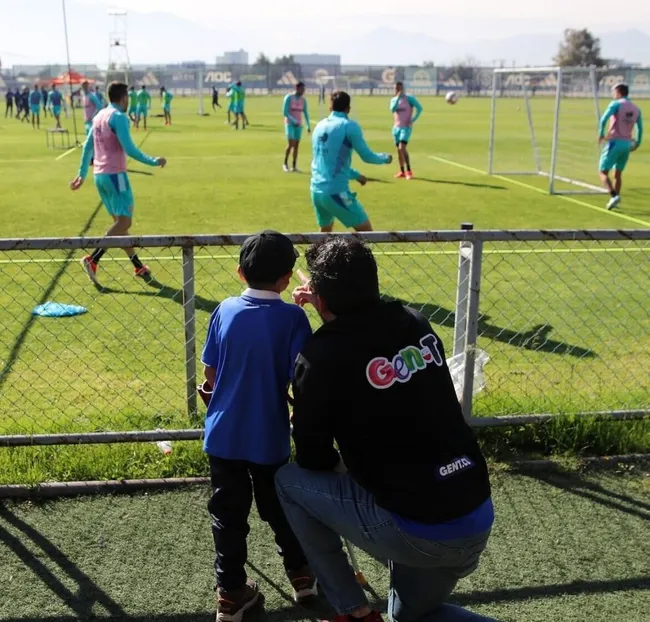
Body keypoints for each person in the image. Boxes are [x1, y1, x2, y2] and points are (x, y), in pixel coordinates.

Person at [276, 236, 497, 622]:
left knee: (288, 482)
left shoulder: (319, 356)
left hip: (420, 529)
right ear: (374, 282)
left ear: (322, 299)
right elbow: (372, 345)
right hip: (475, 512)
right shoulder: (415, 321)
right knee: (406, 617)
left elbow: (312, 457)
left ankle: (352, 610)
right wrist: (329, 311)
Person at [200, 230, 318, 622]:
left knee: (227, 514)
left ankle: (231, 592)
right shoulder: (292, 317)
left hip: (223, 434)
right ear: (287, 278)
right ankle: (301, 574)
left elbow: (210, 378)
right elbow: (301, 379)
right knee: (280, 507)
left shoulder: (224, 309)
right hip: (268, 435)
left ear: (239, 272)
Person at [70, 81, 167, 283]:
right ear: (124, 98)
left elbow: (87, 147)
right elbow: (130, 149)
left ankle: (138, 266)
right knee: (124, 222)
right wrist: (154, 161)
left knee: (120, 226)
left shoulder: (99, 116)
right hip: (116, 176)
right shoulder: (119, 117)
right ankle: (93, 258)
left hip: (100, 176)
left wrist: (81, 174)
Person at [310, 91, 392, 233]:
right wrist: (385, 158)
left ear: (330, 108)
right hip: (336, 192)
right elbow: (367, 156)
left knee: (324, 234)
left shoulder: (319, 126)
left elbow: (327, 162)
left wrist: (357, 175)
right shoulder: (349, 126)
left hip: (316, 191)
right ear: (348, 109)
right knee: (367, 232)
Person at [598, 83, 643, 211]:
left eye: (614, 92)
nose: (613, 95)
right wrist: (637, 143)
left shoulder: (615, 104)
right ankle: (616, 199)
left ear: (618, 92)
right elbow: (640, 128)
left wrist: (601, 133)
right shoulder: (636, 108)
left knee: (602, 172)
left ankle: (613, 196)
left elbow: (603, 119)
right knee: (618, 173)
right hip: (627, 144)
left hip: (614, 142)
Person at [390, 81, 423, 180]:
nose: (397, 90)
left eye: (399, 88)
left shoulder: (409, 98)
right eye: (396, 88)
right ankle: (402, 171)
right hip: (396, 128)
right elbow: (392, 109)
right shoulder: (393, 100)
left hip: (406, 128)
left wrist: (413, 119)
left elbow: (420, 108)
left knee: (402, 148)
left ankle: (409, 171)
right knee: (398, 151)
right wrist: (398, 98)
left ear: (403, 88)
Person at [282, 82, 311, 172]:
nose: (303, 91)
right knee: (290, 143)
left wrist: (308, 125)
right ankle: (285, 164)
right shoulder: (289, 97)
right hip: (290, 124)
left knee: (297, 145)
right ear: (297, 88)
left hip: (299, 125)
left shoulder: (303, 100)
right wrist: (294, 121)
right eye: (302, 89)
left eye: (304, 89)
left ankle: (294, 165)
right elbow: (285, 112)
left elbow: (305, 113)